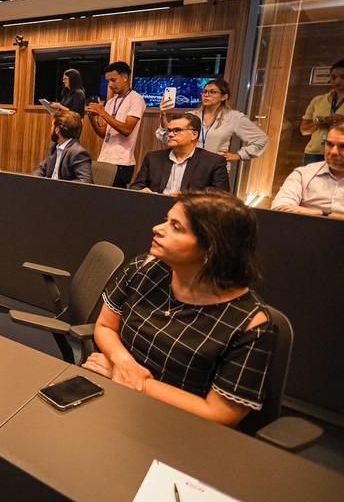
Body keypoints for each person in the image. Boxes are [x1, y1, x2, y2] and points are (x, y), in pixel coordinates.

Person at [82, 190, 275, 427]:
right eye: (166, 220)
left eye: (176, 227)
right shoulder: (145, 267)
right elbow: (104, 326)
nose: (158, 228)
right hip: (118, 400)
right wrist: (124, 363)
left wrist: (131, 380)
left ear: (212, 248)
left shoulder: (251, 323)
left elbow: (219, 414)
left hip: (179, 428)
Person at [157, 79, 268, 171]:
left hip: (216, 169)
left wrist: (238, 155)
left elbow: (261, 139)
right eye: (204, 92)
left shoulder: (234, 117)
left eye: (212, 92)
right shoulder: (190, 116)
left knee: (212, 198)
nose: (206, 95)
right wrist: (163, 115)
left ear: (224, 97)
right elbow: (169, 137)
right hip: (188, 167)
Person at [131, 113, 230, 194]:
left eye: (177, 130)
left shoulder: (213, 162)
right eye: (169, 130)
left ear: (194, 135)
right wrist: (142, 191)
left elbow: (220, 197)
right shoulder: (153, 158)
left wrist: (186, 199)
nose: (170, 134)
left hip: (191, 214)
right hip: (155, 209)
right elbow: (135, 187)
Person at [87, 61, 146, 188]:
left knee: (113, 201)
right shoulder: (110, 102)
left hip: (122, 163)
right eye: (108, 81)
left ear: (125, 77)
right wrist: (92, 118)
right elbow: (103, 133)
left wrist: (103, 113)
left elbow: (127, 130)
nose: (110, 85)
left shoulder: (136, 99)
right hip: (104, 158)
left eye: (113, 80)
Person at [271, 121, 344, 219]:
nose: (333, 152)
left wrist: (320, 213)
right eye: (330, 144)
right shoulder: (303, 174)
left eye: (342, 146)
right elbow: (279, 211)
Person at [300, 60, 344, 165]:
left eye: (343, 77)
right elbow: (304, 130)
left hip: (340, 153)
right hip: (314, 153)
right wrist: (317, 124)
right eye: (333, 78)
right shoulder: (317, 100)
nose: (337, 82)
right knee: (310, 181)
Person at [32, 110, 92, 182]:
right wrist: (33, 181)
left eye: (52, 126)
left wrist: (60, 187)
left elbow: (86, 181)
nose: (51, 129)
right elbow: (41, 169)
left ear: (57, 130)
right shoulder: (54, 148)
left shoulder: (78, 153)